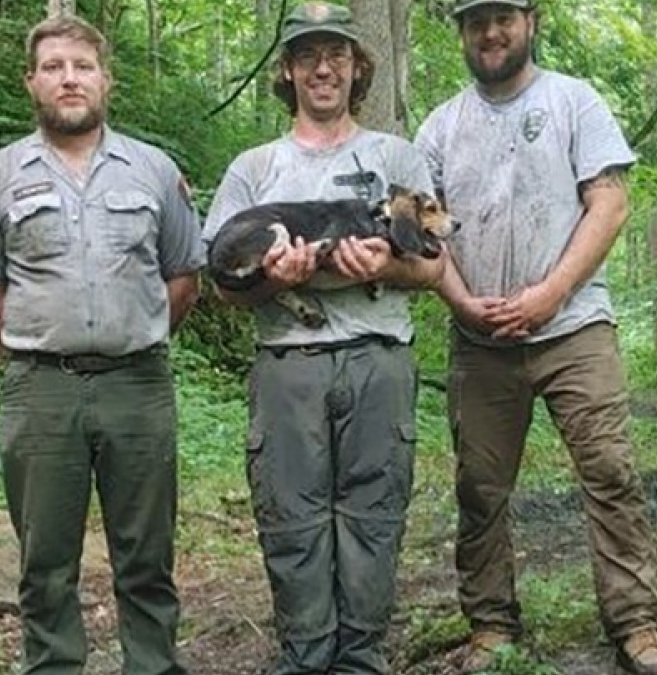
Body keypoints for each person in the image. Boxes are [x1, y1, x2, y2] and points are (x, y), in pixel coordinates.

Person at [414, 1, 657, 674]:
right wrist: (464, 302)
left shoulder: (574, 101)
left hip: (574, 326)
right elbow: (417, 232)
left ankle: (635, 621)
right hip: (480, 338)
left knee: (610, 470)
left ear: (530, 21)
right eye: (477, 22)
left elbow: (610, 203)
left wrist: (550, 293)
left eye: (503, 17)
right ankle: (492, 624)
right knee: (479, 485)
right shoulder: (441, 127)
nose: (491, 33)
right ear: (462, 33)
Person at [202, 3, 446, 673]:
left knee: (375, 512)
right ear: (286, 70)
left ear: (356, 65)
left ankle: (361, 659)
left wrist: (389, 263)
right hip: (288, 363)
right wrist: (274, 282)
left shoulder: (396, 156)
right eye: (306, 54)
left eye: (335, 53)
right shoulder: (253, 169)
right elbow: (222, 285)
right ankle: (305, 658)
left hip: (378, 357)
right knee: (291, 517)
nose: (322, 66)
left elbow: (434, 265)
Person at [0, 15, 203, 675]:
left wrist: (134, 339)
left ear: (106, 80)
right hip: (41, 389)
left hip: (139, 385)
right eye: (54, 66)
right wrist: (39, 354)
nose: (69, 78)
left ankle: (153, 665)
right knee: (44, 563)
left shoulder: (154, 170)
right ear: (31, 82)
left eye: (83, 66)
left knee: (148, 557)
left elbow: (183, 278)